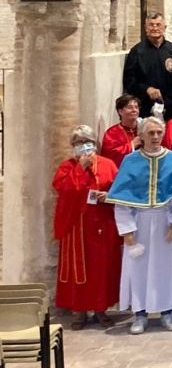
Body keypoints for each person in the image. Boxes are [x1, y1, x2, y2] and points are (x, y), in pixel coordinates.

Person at [105, 117, 172, 335]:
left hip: (165, 222)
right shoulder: (130, 161)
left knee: (167, 269)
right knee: (138, 270)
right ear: (140, 136)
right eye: (150, 133)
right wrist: (128, 234)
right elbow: (122, 201)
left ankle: (168, 312)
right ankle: (139, 314)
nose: (155, 137)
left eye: (159, 132)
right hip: (139, 223)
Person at [53, 125, 121, 330]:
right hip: (77, 226)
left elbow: (119, 189)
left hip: (102, 223)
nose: (83, 147)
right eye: (78, 143)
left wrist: (108, 196)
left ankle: (101, 309)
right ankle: (79, 311)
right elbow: (65, 190)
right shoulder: (67, 167)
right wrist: (80, 169)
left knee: (102, 268)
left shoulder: (108, 164)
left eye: (87, 142)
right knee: (78, 270)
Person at [123, 12, 172, 119]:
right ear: (145, 28)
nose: (155, 28)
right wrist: (146, 89)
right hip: (144, 108)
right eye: (151, 25)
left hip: (170, 108)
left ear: (165, 27)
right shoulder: (136, 51)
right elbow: (129, 81)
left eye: (158, 24)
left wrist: (169, 102)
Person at [101, 94, 143, 168]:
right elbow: (109, 156)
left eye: (136, 107)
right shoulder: (112, 133)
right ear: (120, 111)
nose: (134, 110)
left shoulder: (144, 128)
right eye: (130, 107)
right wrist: (132, 145)